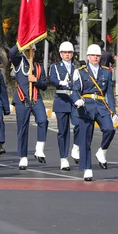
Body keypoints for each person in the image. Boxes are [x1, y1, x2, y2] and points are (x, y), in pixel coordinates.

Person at [71, 44, 117, 181]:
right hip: (86, 105)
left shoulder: (106, 72)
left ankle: (102, 151)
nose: (95, 58)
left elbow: (109, 93)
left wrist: (113, 111)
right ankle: (87, 169)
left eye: (97, 56)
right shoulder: (81, 71)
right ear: (88, 57)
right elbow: (76, 90)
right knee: (86, 139)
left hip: (101, 105)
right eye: (93, 55)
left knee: (109, 129)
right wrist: (77, 101)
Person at [9, 43, 48, 170]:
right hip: (22, 99)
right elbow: (11, 53)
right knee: (22, 129)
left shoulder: (38, 67)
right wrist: (20, 42)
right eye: (27, 51)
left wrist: (36, 80)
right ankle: (23, 157)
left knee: (43, 120)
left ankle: (39, 148)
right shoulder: (18, 62)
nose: (29, 53)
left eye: (31, 51)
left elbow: (44, 85)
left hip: (36, 98)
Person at [49, 41, 79, 171]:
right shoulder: (55, 67)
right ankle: (64, 158)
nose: (67, 55)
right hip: (61, 100)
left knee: (78, 124)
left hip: (74, 100)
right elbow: (52, 79)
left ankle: (76, 147)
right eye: (65, 53)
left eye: (69, 53)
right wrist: (60, 82)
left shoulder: (77, 67)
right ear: (61, 54)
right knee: (63, 131)